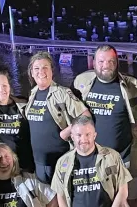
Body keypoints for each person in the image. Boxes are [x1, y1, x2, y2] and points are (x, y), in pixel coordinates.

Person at [73, 45, 137, 207]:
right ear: (94, 62)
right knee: (97, 201)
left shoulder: (134, 86)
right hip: (91, 158)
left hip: (125, 156)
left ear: (117, 63)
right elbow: (69, 109)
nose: (105, 65)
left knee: (131, 202)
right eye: (101, 61)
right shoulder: (81, 83)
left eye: (111, 61)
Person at [24, 52, 89, 184]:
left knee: (63, 198)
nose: (41, 72)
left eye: (45, 67)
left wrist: (65, 133)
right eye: (36, 68)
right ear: (31, 72)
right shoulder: (33, 94)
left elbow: (85, 115)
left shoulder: (62, 93)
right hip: (39, 160)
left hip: (60, 158)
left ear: (52, 71)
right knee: (46, 200)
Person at [0, 70, 33, 172]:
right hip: (0, 165)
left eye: (4, 85)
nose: (1, 89)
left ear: (9, 87)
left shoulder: (23, 105)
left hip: (23, 164)